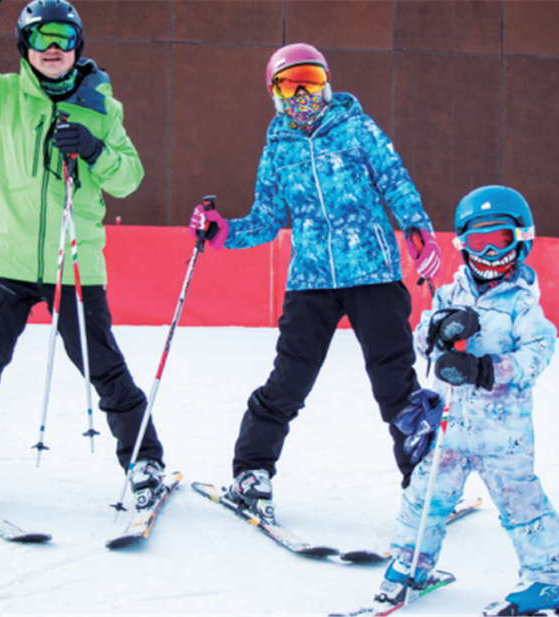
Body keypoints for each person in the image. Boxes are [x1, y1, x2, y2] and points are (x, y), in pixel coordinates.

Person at [188, 43, 442, 519]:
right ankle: (252, 470)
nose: (301, 91)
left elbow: (394, 180)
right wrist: (224, 232)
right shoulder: (277, 149)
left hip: (373, 271)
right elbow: (266, 218)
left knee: (394, 379)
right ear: (275, 94)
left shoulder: (356, 127)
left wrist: (417, 229)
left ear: (326, 81)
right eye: (289, 83)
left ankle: (424, 474)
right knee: (290, 379)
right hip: (311, 281)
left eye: (310, 78)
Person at [0, 0, 166, 507]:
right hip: (8, 262)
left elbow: (130, 177)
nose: (54, 48)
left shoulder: (103, 108)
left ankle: (144, 460)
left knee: (103, 367)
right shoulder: (3, 96)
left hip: (77, 264)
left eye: (63, 37)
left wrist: (95, 148)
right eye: (41, 38)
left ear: (78, 44)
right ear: (25, 47)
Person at [376, 185, 559, 616]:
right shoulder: (449, 295)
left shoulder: (524, 304)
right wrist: (438, 333)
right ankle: (412, 562)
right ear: (462, 244)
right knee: (425, 495)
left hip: (502, 435)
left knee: (520, 503)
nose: (489, 252)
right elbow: (423, 339)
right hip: (451, 426)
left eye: (500, 239)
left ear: (521, 239)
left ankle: (552, 579)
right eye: (477, 241)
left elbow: (536, 355)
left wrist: (484, 369)